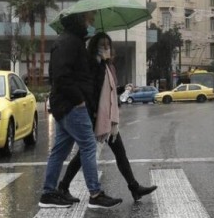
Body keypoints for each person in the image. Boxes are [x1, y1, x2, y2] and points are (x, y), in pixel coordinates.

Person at [55, 32, 157, 203]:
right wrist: (93, 113)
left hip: (108, 119)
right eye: (102, 46)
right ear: (95, 48)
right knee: (83, 155)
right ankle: (63, 187)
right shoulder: (94, 66)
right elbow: (92, 92)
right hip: (97, 117)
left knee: (119, 153)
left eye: (108, 45)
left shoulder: (109, 67)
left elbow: (108, 92)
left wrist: (124, 88)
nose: (106, 49)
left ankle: (134, 187)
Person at [39, 11, 122, 210]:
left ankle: (49, 193)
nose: (91, 24)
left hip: (64, 104)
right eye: (90, 21)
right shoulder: (70, 43)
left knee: (60, 150)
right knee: (88, 146)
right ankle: (95, 194)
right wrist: (78, 100)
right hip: (71, 105)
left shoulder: (72, 41)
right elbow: (61, 76)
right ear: (80, 21)